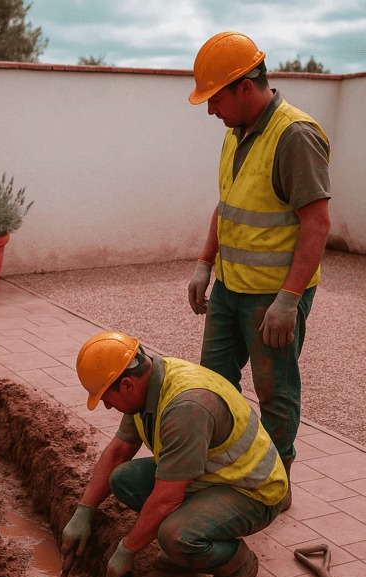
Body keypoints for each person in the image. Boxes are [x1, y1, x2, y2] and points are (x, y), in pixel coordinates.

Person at [187, 32, 332, 510]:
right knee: (214, 382)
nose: (210, 111)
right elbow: (227, 205)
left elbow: (317, 223)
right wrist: (204, 264)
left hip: (272, 298)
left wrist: (289, 300)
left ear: (245, 86)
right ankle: (226, 468)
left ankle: (276, 484)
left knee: (276, 394)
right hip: (230, 289)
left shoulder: (294, 136)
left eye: (215, 99)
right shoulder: (237, 132)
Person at [60, 331, 288, 577]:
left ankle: (238, 567)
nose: (106, 405)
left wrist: (126, 550)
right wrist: (84, 511)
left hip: (251, 489)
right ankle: (192, 548)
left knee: (176, 535)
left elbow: (167, 499)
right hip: (209, 476)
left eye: (106, 397)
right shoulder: (145, 381)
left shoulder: (186, 408)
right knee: (123, 480)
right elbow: (120, 450)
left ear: (127, 385)